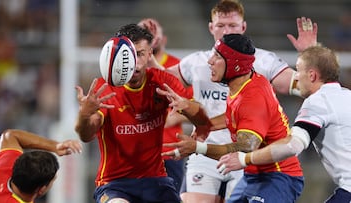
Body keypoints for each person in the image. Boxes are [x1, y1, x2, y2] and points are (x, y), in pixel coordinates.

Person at [163, 0, 317, 202]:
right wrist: (196, 117)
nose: (210, 61)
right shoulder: (237, 84)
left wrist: (310, 55)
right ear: (211, 27)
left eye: (232, 26)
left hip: (268, 171)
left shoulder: (253, 91)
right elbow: (229, 118)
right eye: (220, 26)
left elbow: (246, 145)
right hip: (244, 167)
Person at [217, 45, 351, 203]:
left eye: (298, 70)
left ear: (312, 75)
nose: (295, 77)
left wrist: (245, 159)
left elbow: (292, 146)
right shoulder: (346, 96)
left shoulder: (318, 102)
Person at [74, 23, 191, 203]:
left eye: (140, 54)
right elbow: (86, 134)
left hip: (156, 180)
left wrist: (198, 138)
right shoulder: (103, 89)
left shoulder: (160, 81)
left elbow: (195, 110)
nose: (135, 62)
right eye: (130, 55)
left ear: (150, 53)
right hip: (114, 184)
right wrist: (84, 114)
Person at [138, 18, 193, 193]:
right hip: (138, 150)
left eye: (153, 33)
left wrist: (172, 117)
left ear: (163, 39)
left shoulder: (179, 68)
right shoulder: (129, 69)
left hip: (169, 150)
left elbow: (194, 108)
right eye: (144, 33)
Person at [0, 129, 82, 203]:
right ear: (41, 190)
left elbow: (10, 136)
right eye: (52, 181)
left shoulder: (5, 167)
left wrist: (55, 146)